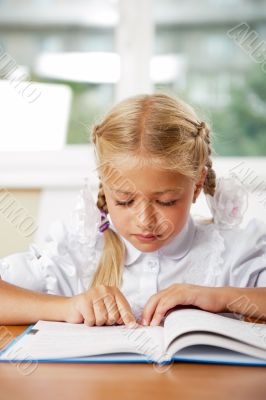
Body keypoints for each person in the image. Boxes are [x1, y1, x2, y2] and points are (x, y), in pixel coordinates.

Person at [1, 93, 266, 327]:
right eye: (125, 201)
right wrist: (67, 307)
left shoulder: (233, 253)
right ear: (105, 186)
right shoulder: (75, 253)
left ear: (197, 185)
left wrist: (222, 297)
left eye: (166, 201)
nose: (145, 221)